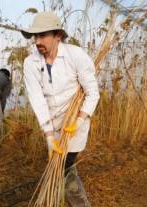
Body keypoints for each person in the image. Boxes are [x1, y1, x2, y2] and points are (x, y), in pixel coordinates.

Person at [21, 12, 100, 206]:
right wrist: (49, 136)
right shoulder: (30, 63)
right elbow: (37, 100)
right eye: (35, 36)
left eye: (43, 35)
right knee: (62, 169)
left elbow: (92, 93)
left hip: (74, 127)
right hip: (51, 126)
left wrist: (79, 121)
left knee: (62, 168)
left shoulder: (75, 55)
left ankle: (62, 202)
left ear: (58, 35)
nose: (38, 41)